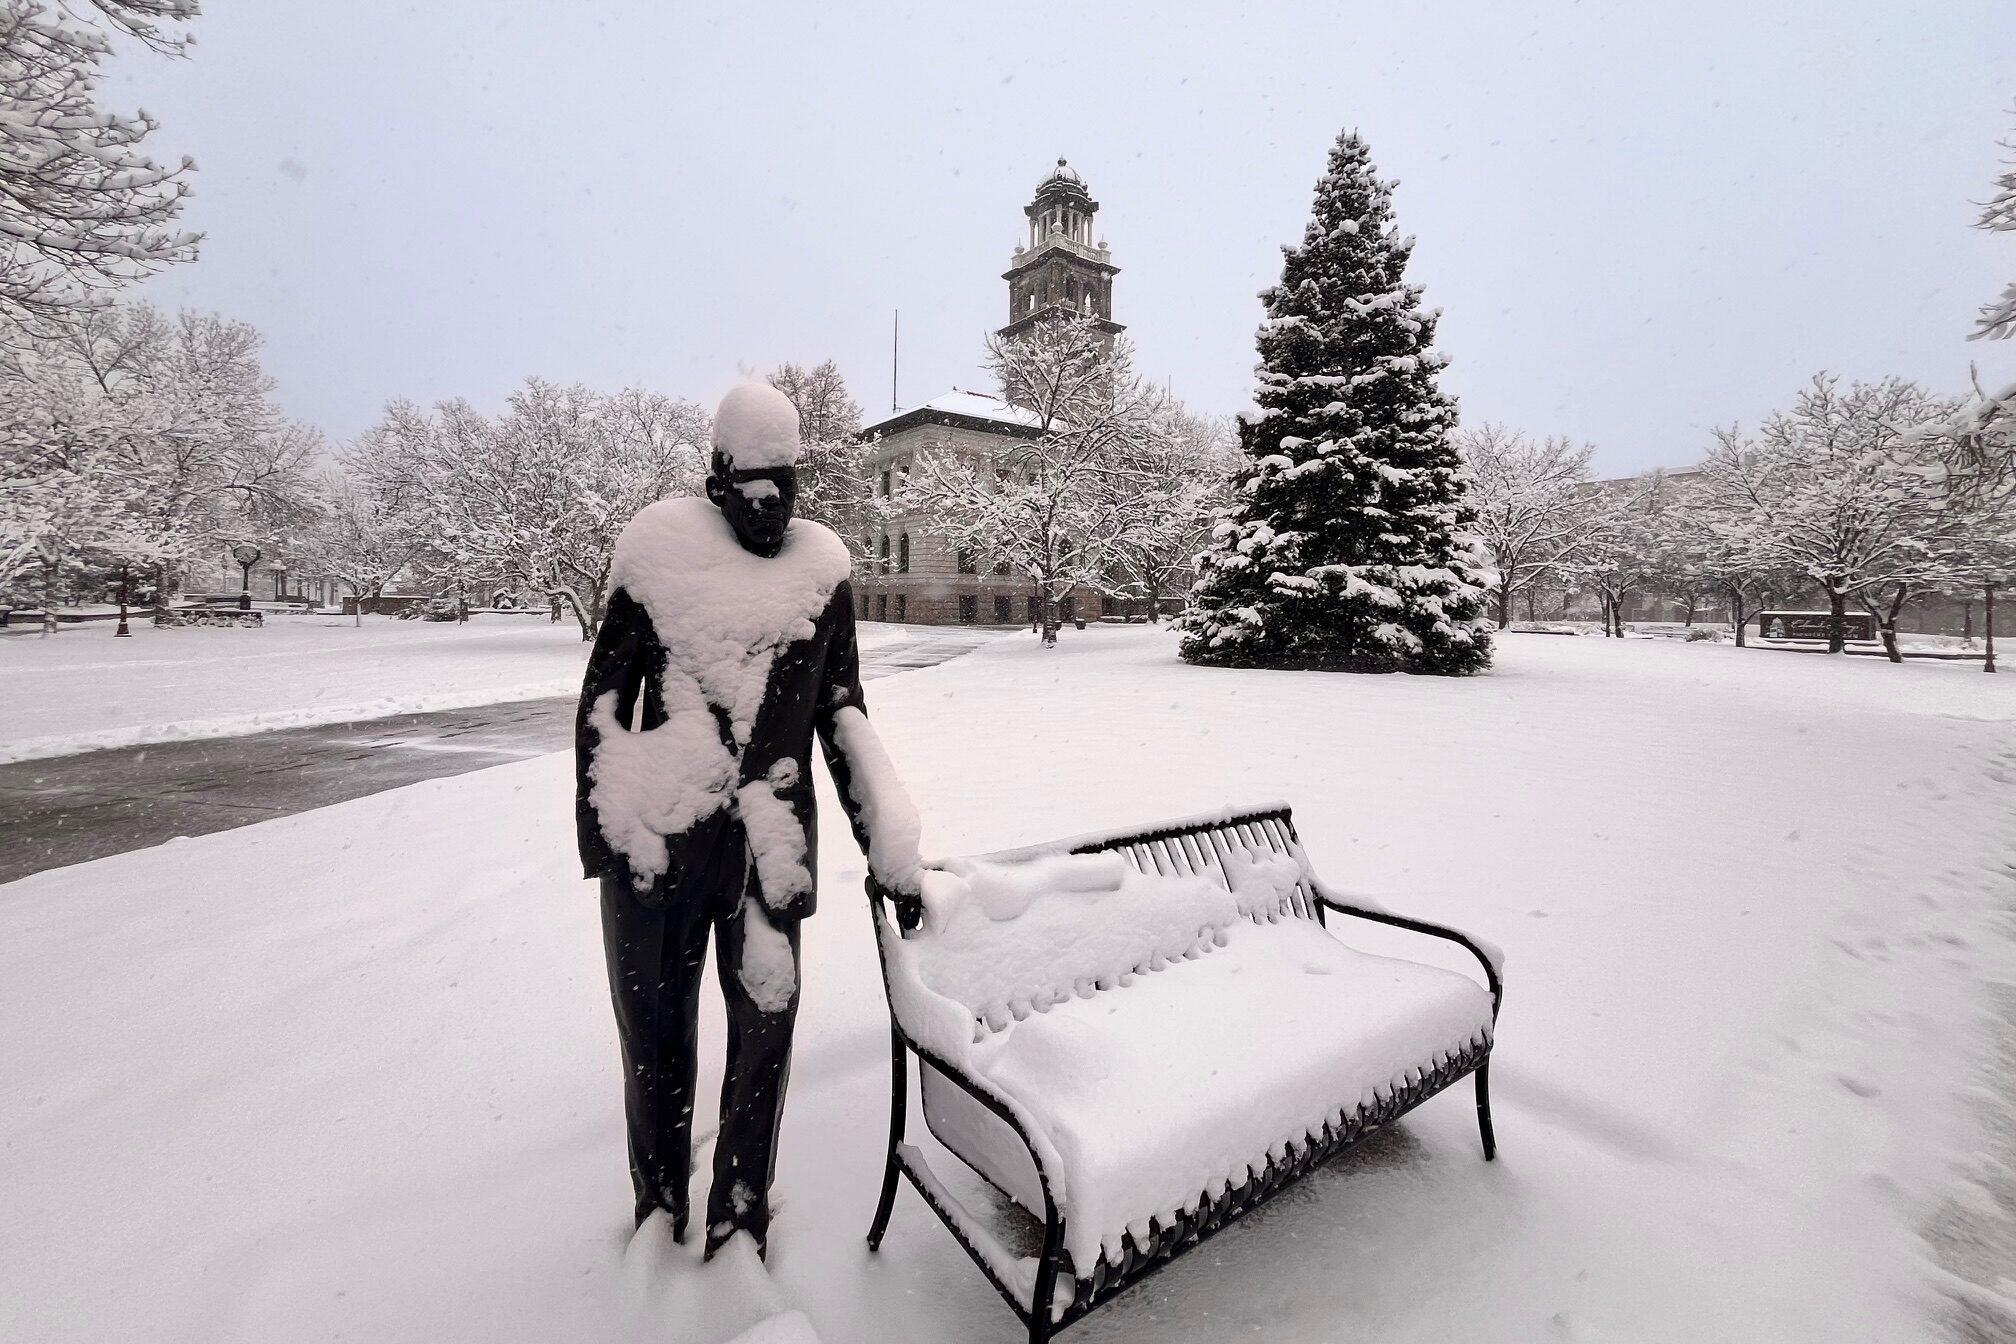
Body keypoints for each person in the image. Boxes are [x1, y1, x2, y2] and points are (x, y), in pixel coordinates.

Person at [575, 382, 905, 1260]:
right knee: (653, 1043)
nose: (767, 502)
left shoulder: (823, 570)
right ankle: (656, 1205)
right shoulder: (656, 552)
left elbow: (842, 713)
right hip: (658, 843)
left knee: (764, 1041)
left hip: (770, 853)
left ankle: (740, 1208)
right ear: (717, 480)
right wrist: (615, 837)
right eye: (749, 483)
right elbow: (603, 702)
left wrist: (889, 841)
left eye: (783, 484)